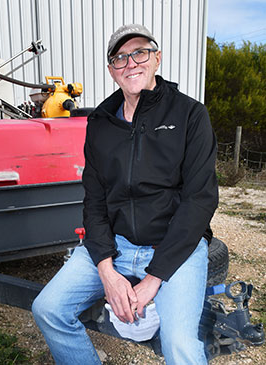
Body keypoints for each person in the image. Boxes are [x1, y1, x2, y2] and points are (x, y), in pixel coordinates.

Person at [32, 24, 218, 365]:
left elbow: (199, 200)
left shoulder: (190, 115)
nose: (130, 63)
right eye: (120, 58)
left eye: (140, 53)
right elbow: (95, 201)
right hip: (116, 245)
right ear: (111, 70)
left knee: (179, 345)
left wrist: (153, 279)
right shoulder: (101, 122)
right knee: (48, 309)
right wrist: (106, 268)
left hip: (174, 247)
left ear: (156, 58)